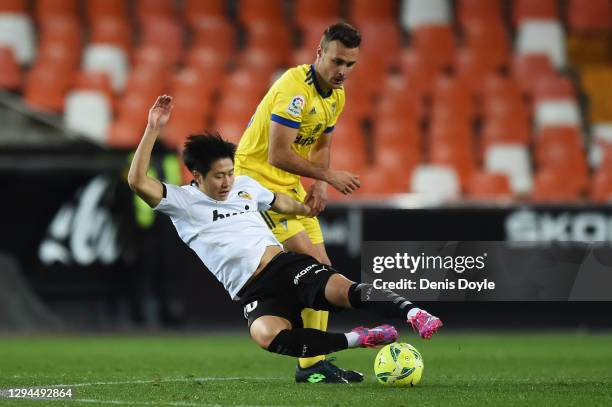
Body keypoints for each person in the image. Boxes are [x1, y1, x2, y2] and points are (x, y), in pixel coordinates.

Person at [128, 96, 443, 383]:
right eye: (219, 176)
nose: (227, 182)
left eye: (229, 173)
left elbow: (279, 202)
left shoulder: (245, 186)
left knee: (341, 289)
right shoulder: (182, 203)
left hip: (285, 267)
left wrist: (306, 207)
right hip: (252, 290)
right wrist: (152, 128)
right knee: (266, 335)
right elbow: (137, 181)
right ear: (197, 176)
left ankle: (414, 313)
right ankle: (358, 339)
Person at [234, 22, 363, 382]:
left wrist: (319, 186)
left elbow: (322, 143)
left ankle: (312, 361)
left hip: (289, 187)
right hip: (257, 185)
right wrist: (330, 176)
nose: (343, 71)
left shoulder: (336, 95)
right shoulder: (294, 88)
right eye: (337, 61)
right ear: (318, 53)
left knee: (325, 268)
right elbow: (276, 154)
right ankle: (308, 359)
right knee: (311, 268)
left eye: (350, 64)